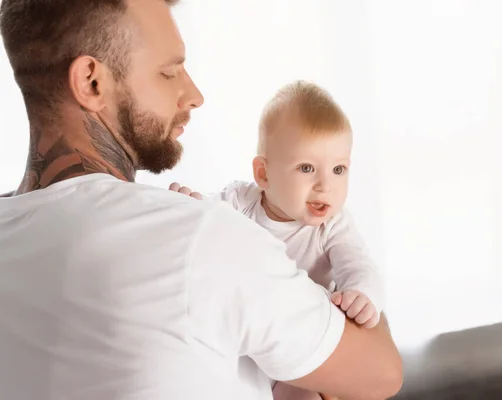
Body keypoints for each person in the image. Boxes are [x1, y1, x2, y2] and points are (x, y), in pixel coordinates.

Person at [0, 1, 403, 399]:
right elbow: (382, 373)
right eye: (168, 72)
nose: (194, 94)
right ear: (91, 81)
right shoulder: (201, 237)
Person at [170, 80, 385, 400]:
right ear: (264, 174)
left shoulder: (332, 227)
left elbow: (359, 266)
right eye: (307, 168)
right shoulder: (240, 202)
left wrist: (362, 294)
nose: (326, 185)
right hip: (244, 342)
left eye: (339, 169)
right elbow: (207, 218)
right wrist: (189, 205)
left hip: (299, 348)